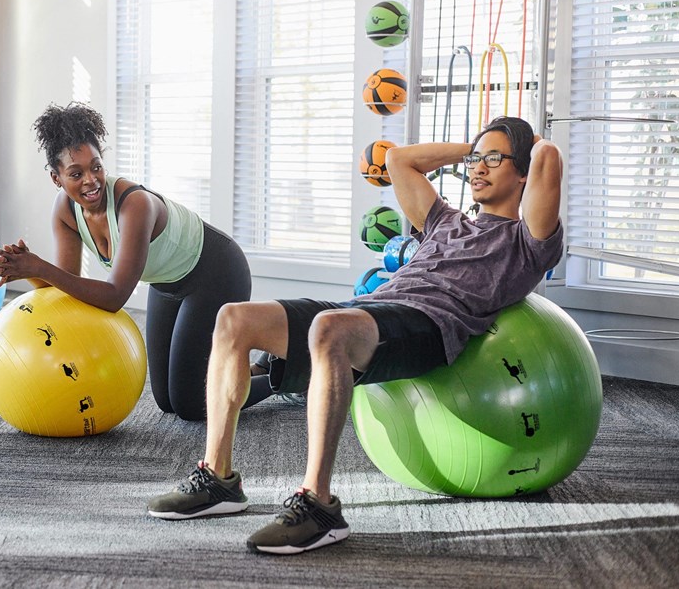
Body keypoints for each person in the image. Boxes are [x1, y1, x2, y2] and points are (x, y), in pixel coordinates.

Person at [147, 116, 564, 554]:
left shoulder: (527, 241)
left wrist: (525, 138)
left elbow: (548, 155)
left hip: (426, 325)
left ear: (522, 171)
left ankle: (319, 504)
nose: (478, 168)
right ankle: (218, 479)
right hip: (369, 309)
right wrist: (477, 149)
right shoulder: (444, 220)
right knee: (234, 318)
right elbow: (399, 160)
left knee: (329, 328)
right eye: (476, 161)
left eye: (494, 160)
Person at [0, 102, 266, 421]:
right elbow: (66, 288)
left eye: (96, 167)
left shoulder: (135, 205)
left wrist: (38, 267)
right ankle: (255, 367)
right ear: (56, 178)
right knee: (165, 400)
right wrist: (25, 271)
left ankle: (277, 376)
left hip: (216, 272)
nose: (91, 180)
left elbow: (115, 296)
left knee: (190, 403)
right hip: (167, 282)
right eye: (76, 173)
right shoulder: (66, 211)